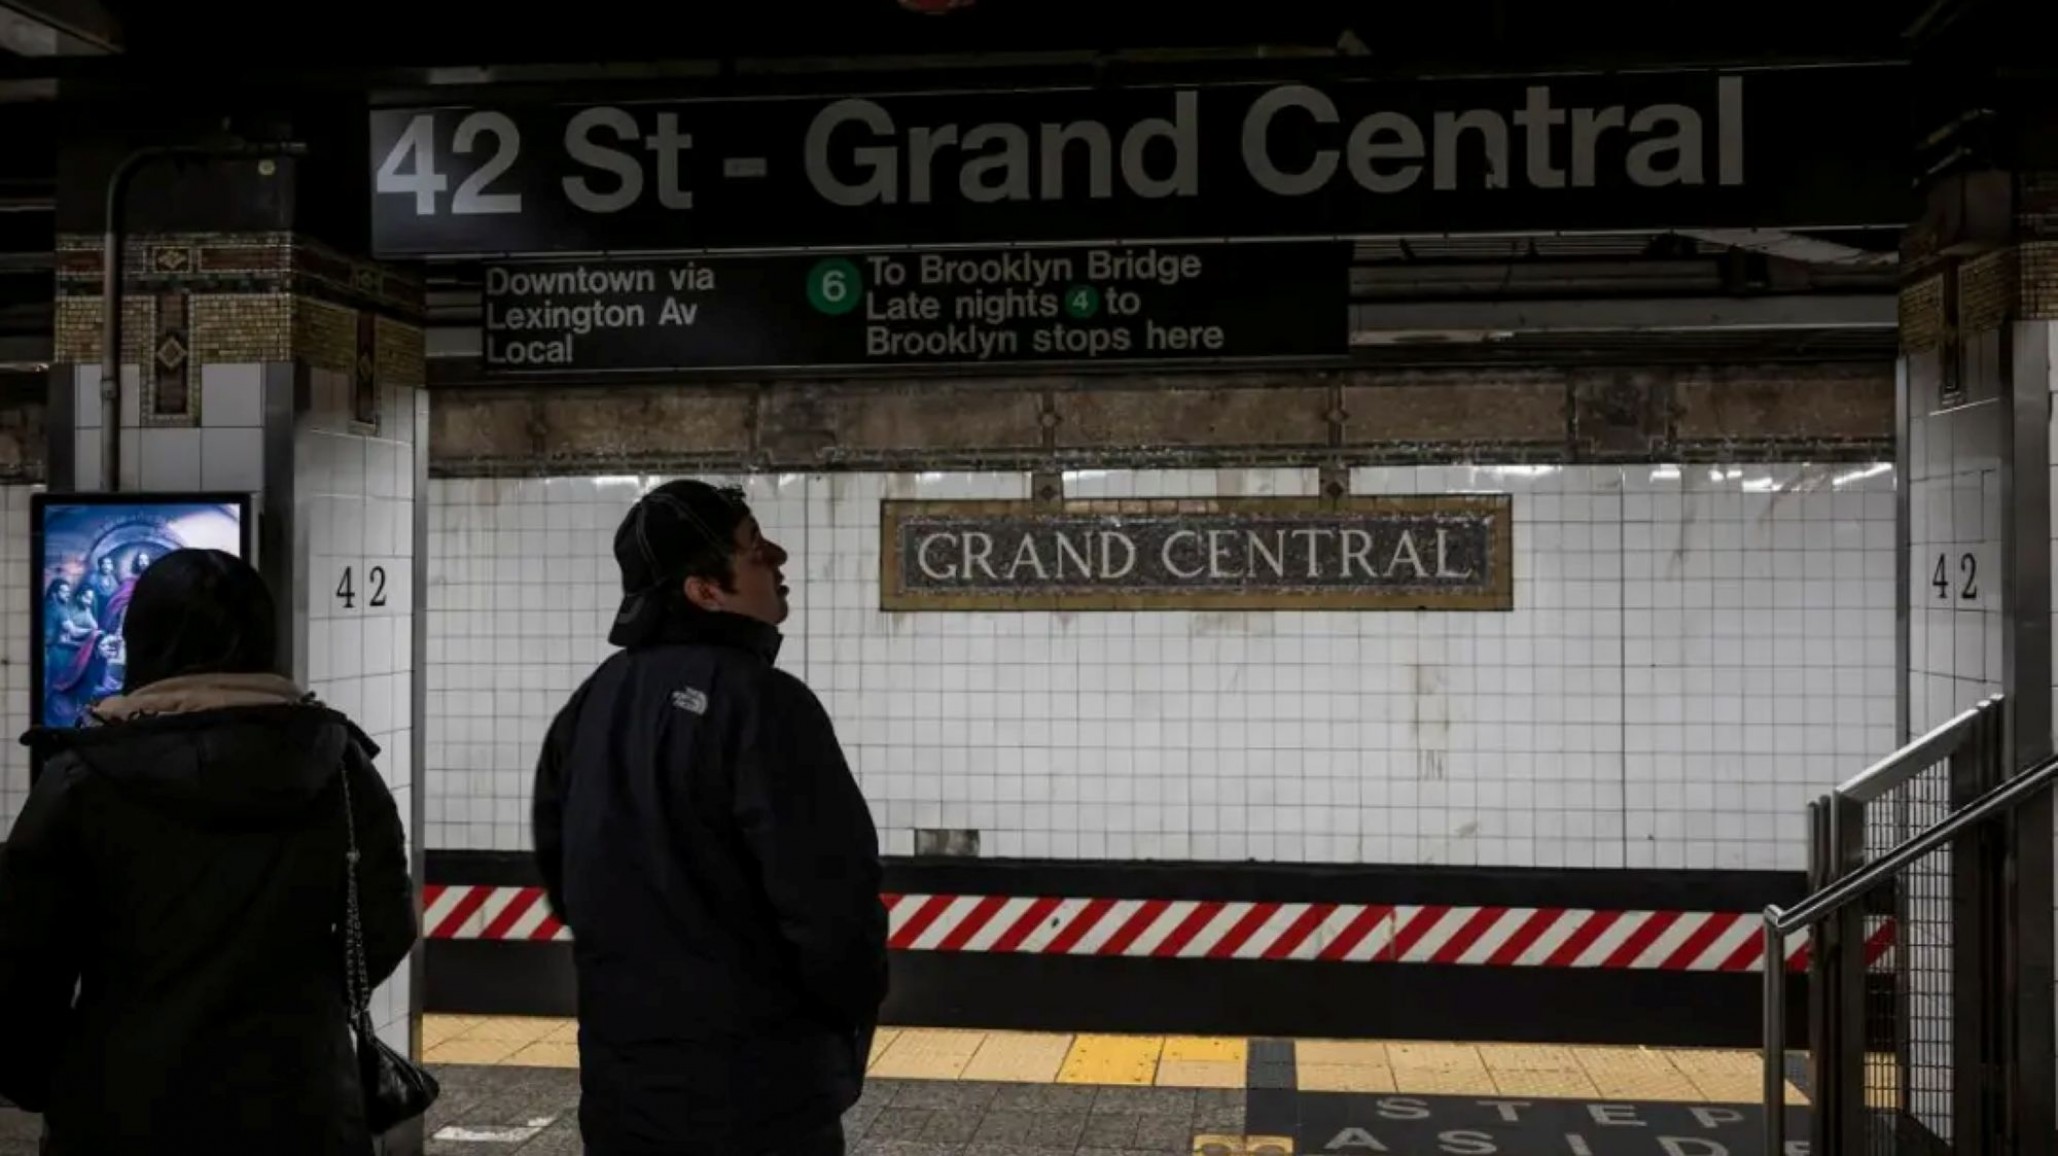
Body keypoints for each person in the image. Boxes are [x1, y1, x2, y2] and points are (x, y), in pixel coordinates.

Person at [0, 548, 417, 1156]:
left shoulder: (80, 779)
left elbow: (21, 957)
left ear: (141, 639)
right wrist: (307, 1002)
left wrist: (43, 1079)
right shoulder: (337, 763)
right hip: (303, 1103)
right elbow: (387, 923)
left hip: (122, 1107)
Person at [534, 480, 887, 1156]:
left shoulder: (592, 703)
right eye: (754, 549)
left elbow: (564, 872)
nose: (778, 556)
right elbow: (830, 902)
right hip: (757, 1090)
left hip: (622, 1081)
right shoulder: (764, 704)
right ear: (704, 591)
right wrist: (840, 1024)